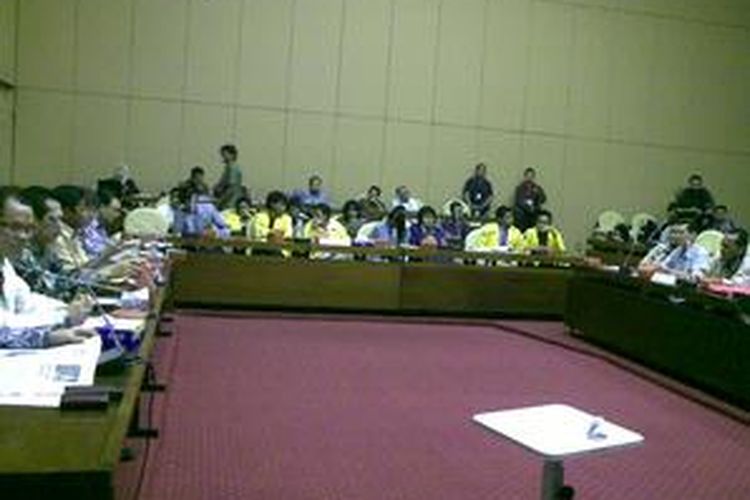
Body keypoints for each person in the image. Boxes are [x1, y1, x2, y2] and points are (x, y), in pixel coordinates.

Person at [642, 222, 711, 282]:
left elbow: (696, 278)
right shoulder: (673, 250)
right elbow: (661, 266)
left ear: (692, 235)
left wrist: (668, 271)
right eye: (673, 232)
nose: (675, 236)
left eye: (681, 233)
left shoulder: (700, 253)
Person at [513, 167, 547, 231]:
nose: (529, 178)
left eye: (531, 176)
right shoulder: (520, 188)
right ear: (525, 176)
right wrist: (528, 208)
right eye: (528, 176)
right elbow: (519, 201)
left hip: (534, 212)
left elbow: (543, 199)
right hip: (523, 212)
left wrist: (538, 193)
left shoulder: (537, 188)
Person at [213, 144, 244, 209]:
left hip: (231, 202)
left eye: (225, 154)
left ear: (232, 155)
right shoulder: (228, 168)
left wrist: (220, 200)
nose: (223, 156)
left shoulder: (233, 168)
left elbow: (231, 188)